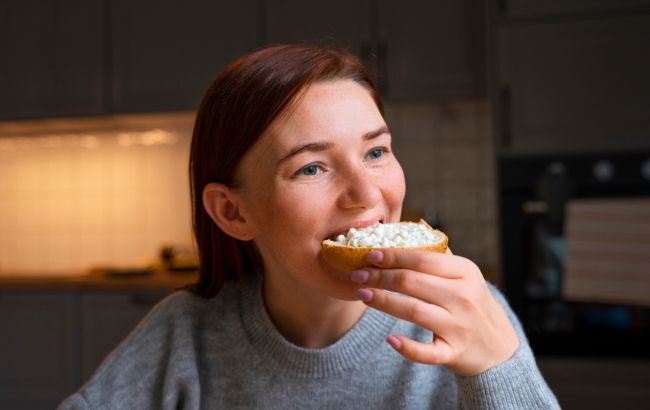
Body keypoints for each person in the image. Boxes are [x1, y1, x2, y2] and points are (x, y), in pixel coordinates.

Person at [59, 44, 560, 409]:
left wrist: (500, 366)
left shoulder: (464, 315)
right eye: (311, 168)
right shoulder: (185, 335)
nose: (366, 194)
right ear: (234, 212)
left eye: (376, 151)